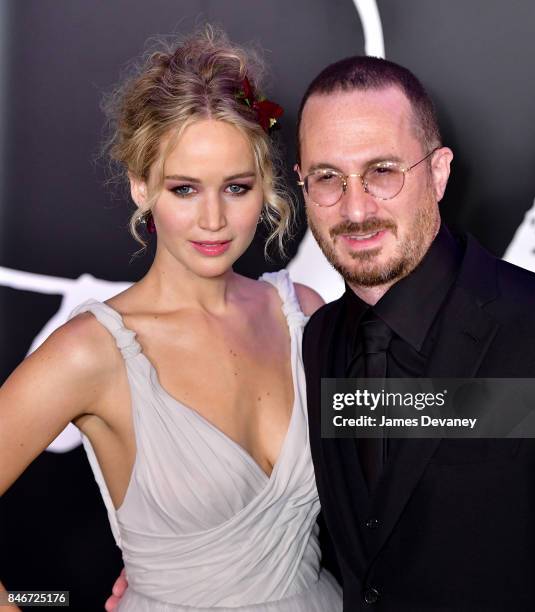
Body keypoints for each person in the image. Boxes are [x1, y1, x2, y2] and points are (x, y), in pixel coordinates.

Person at [0, 28, 342, 611]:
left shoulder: (302, 311)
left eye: (237, 187)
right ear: (142, 187)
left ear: (267, 186)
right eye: (184, 189)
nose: (213, 219)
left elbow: (410, 449)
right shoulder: (93, 351)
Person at [297, 57, 535, 610]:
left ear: (439, 172)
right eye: (328, 177)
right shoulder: (318, 338)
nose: (355, 208)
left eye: (382, 171)